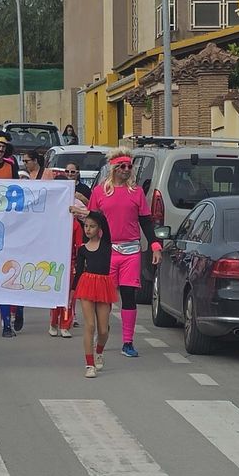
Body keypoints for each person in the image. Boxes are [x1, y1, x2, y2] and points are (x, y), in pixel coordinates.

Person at [80, 150, 160, 359]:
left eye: (129, 166)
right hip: (107, 251)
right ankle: (102, 334)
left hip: (131, 250)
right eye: (122, 167)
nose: (126, 170)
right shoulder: (99, 192)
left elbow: (145, 221)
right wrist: (86, 247)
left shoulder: (137, 193)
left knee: (128, 295)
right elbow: (91, 222)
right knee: (103, 296)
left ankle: (128, 341)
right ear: (113, 168)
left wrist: (154, 244)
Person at [73, 211, 120, 376]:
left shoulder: (106, 243)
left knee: (103, 330)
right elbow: (79, 272)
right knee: (90, 325)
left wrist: (87, 212)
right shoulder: (83, 249)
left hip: (103, 286)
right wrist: (72, 290)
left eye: (92, 226)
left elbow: (104, 220)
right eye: (86, 226)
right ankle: (89, 365)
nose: (88, 229)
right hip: (87, 285)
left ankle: (99, 351)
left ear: (99, 228)